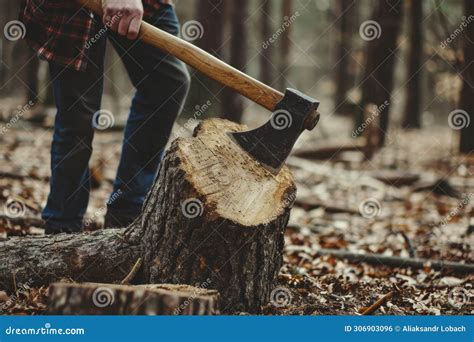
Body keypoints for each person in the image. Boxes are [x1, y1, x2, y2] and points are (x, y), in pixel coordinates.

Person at [19, 0, 191, 233]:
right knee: (77, 116)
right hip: (73, 9)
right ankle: (63, 229)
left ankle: (128, 212)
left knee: (167, 84)